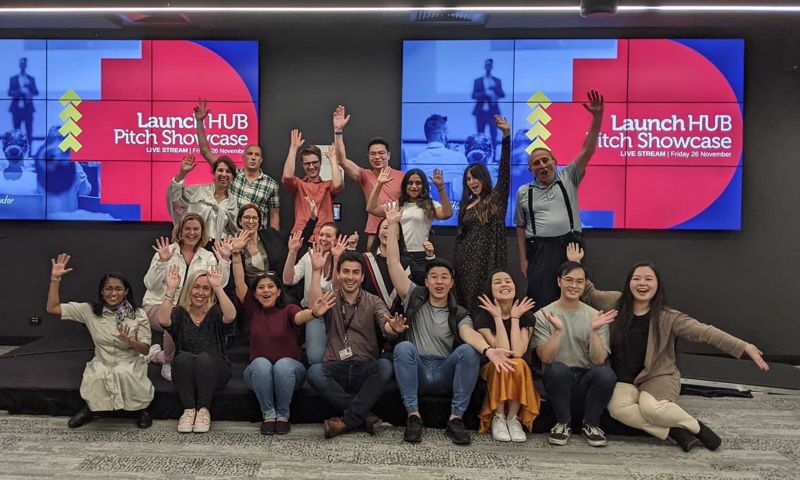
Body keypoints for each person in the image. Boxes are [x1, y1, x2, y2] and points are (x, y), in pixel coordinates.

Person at [567, 244, 770, 452]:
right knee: (618, 409)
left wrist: (744, 346)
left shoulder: (669, 317)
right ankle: (676, 431)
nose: (642, 283)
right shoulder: (615, 303)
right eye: (636, 278)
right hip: (624, 380)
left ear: (657, 285)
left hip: (658, 376)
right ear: (629, 283)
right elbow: (589, 292)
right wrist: (575, 263)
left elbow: (706, 332)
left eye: (648, 279)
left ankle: (697, 428)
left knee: (651, 408)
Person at [384, 201, 516, 445]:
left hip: (444, 369)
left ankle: (456, 419)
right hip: (419, 369)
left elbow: (468, 334)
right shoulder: (413, 295)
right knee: (403, 348)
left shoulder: (459, 311)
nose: (439, 281)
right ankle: (413, 417)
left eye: (444, 277)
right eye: (434, 277)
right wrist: (393, 226)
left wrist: (488, 350)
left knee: (469, 351)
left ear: (452, 283)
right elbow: (393, 263)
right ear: (427, 280)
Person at [514, 90, 604, 310]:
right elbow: (520, 227)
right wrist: (524, 259)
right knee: (540, 304)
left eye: (546, 160)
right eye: (536, 163)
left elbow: (588, 148)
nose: (542, 165)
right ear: (530, 170)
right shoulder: (524, 192)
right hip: (539, 251)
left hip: (570, 246)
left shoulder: (569, 177)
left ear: (554, 162)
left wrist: (597, 117)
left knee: (572, 300)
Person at [231, 251, 337, 435]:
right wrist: (235, 255)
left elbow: (299, 316)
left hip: (290, 373)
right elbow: (240, 283)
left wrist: (314, 313)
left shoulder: (289, 309)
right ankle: (269, 415)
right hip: (258, 373)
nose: (266, 290)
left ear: (278, 291)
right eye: (261, 287)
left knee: (282, 365)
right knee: (261, 364)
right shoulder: (253, 309)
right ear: (255, 294)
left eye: (270, 286)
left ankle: (283, 415)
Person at [46, 253, 153, 429]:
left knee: (123, 373)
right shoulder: (89, 310)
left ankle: (141, 411)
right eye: (108, 288)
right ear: (102, 292)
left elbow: (145, 350)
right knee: (97, 375)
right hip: (103, 359)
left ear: (126, 292)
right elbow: (53, 308)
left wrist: (131, 341)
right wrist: (54, 279)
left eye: (118, 289)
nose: (113, 293)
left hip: (130, 360)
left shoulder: (138, 314)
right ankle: (91, 409)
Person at [306, 249, 401, 439]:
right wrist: (316, 271)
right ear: (339, 274)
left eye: (355, 272)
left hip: (365, 366)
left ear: (362, 276)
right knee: (314, 372)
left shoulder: (373, 301)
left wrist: (393, 327)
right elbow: (313, 306)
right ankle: (364, 416)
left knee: (385, 366)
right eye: (346, 272)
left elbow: (386, 323)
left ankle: (347, 421)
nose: (350, 277)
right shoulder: (330, 298)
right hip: (336, 365)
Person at [532, 260, 617, 447]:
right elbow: (545, 358)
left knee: (606, 374)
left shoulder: (596, 316)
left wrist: (594, 331)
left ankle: (591, 425)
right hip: (558, 378)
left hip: (586, 377)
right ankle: (563, 423)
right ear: (558, 282)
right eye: (568, 280)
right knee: (556, 369)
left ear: (585, 284)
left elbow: (599, 359)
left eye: (579, 281)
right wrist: (557, 332)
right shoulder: (543, 315)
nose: (574, 285)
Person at [142, 214, 232, 381]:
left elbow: (220, 283)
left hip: (192, 309)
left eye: (196, 229)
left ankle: (158, 355)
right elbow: (150, 285)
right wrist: (162, 262)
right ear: (180, 231)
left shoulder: (207, 257)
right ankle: (167, 361)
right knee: (176, 315)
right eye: (187, 228)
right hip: (157, 306)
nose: (191, 232)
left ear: (202, 232)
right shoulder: (167, 251)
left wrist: (225, 260)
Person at [158, 264, 236, 433]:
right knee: (183, 358)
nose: (200, 293)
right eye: (196, 287)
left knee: (204, 359)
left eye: (206, 289)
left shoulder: (215, 312)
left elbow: (230, 315)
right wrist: (171, 290)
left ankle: (203, 410)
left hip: (215, 371)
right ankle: (189, 410)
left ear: (210, 292)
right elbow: (163, 320)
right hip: (187, 372)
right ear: (189, 289)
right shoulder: (180, 313)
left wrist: (218, 287)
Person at [453, 115, 511, 316]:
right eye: (468, 178)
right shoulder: (466, 204)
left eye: (475, 177)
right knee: (465, 308)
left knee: (487, 309)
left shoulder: (496, 199)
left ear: (484, 178)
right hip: (464, 265)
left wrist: (506, 136)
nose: (471, 182)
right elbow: (461, 238)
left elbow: (504, 170)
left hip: (488, 263)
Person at [474, 270, 540, 442]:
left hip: (518, 369)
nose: (504, 284)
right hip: (492, 368)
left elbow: (517, 352)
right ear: (490, 289)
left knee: (519, 363)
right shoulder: (483, 316)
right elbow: (502, 350)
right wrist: (497, 317)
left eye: (508, 280)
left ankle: (512, 418)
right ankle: (498, 416)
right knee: (503, 363)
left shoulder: (526, 316)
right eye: (497, 282)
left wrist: (515, 318)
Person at [194, 99, 280, 229]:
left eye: (257, 155)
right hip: (230, 234)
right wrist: (199, 121)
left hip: (255, 237)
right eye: (250, 154)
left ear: (261, 160)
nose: (253, 158)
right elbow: (205, 151)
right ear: (243, 157)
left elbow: (274, 216)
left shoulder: (271, 184)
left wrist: (274, 241)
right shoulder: (231, 174)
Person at [332, 104, 404, 250]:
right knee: (373, 267)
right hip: (373, 231)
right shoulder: (364, 175)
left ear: (388, 155)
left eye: (381, 153)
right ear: (369, 157)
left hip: (398, 230)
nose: (377, 157)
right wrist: (338, 131)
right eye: (373, 154)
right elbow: (341, 160)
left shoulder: (403, 177)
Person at [366, 168, 451, 280]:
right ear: (405, 186)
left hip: (421, 255)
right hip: (399, 253)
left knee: (419, 290)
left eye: (418, 183)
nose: (414, 186)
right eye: (410, 183)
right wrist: (379, 184)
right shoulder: (397, 205)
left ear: (423, 185)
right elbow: (371, 208)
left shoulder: (430, 205)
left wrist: (440, 188)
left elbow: (447, 213)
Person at [282, 222, 349, 364]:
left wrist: (337, 258)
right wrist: (292, 252)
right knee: (315, 358)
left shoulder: (345, 258)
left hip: (338, 314)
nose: (323, 238)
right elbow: (288, 280)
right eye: (321, 234)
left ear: (337, 240)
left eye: (328, 236)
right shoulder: (310, 255)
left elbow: (338, 289)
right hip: (314, 313)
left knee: (340, 358)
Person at [231, 201, 317, 289]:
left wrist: (312, 219)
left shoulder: (271, 234)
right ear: (240, 221)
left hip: (276, 290)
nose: (251, 221)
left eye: (254, 218)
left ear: (259, 221)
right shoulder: (233, 244)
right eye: (246, 217)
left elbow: (298, 239)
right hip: (250, 292)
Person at [282, 129, 343, 240]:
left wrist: (333, 160)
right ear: (302, 165)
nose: (311, 167)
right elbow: (287, 176)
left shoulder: (327, 186)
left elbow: (338, 184)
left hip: (325, 238)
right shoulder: (299, 185)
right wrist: (293, 148)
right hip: (301, 236)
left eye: (315, 162)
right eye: (307, 163)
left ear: (320, 162)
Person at [361, 217, 429, 314]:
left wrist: (430, 256)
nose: (388, 232)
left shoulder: (407, 263)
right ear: (378, 233)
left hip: (400, 320)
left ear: (398, 236)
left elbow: (426, 280)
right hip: (369, 319)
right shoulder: (365, 259)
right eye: (385, 228)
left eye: (392, 229)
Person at [168, 154, 238, 243]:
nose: (224, 174)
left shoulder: (232, 201)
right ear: (214, 172)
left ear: (233, 177)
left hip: (219, 247)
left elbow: (232, 229)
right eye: (220, 170)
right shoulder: (198, 190)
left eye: (228, 171)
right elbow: (174, 196)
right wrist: (182, 173)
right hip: (194, 243)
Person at [412, 115, 466, 203]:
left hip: (427, 210)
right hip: (455, 211)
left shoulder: (415, 163)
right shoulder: (459, 157)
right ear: (442, 135)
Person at [471, 58, 505, 144]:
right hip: (480, 112)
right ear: (484, 66)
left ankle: (493, 156)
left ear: (492, 66)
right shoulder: (478, 81)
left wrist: (494, 87)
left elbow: (502, 94)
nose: (488, 67)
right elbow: (474, 95)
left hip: (493, 112)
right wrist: (485, 93)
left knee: (493, 135)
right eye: (486, 65)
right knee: (480, 136)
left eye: (490, 65)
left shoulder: (497, 81)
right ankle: (481, 155)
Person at [8, 57, 38, 145]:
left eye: (24, 63)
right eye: (21, 63)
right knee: (16, 132)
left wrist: (28, 89)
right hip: (16, 109)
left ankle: (29, 152)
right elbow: (10, 92)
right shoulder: (13, 79)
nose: (22, 65)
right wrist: (20, 90)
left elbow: (36, 92)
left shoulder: (31, 79)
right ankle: (17, 151)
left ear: (26, 65)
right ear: (19, 65)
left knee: (29, 131)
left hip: (28, 109)